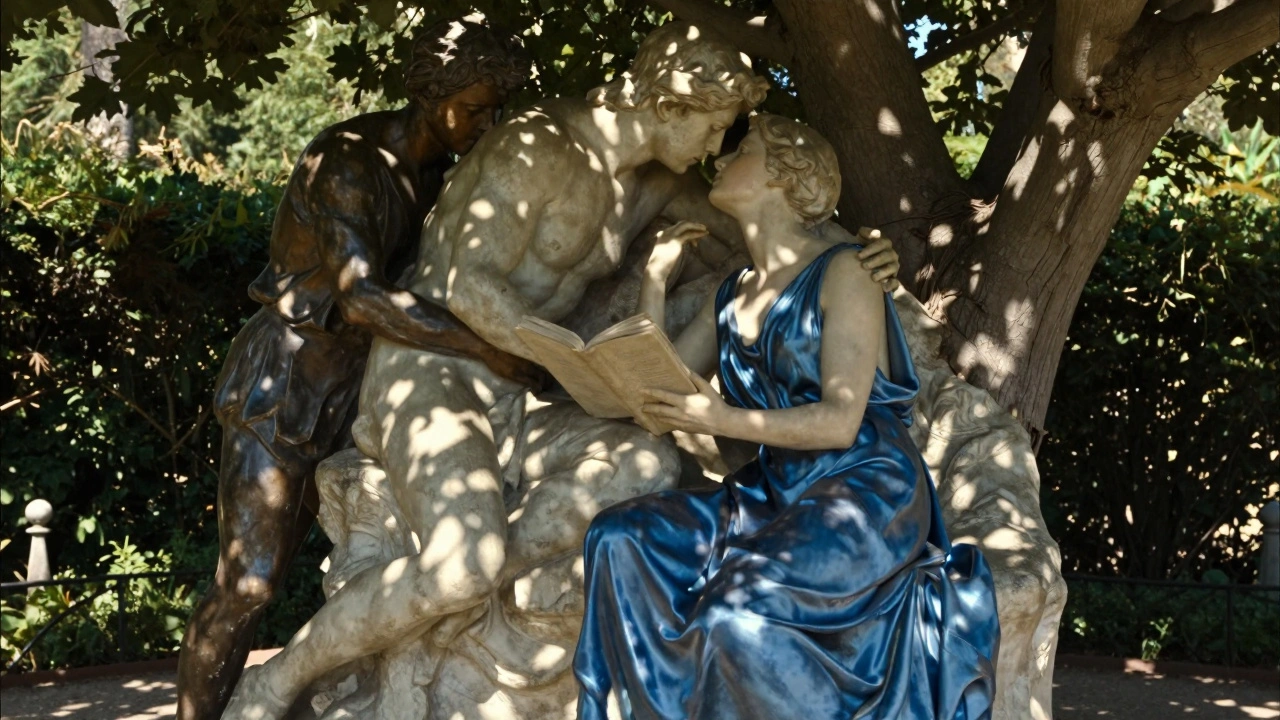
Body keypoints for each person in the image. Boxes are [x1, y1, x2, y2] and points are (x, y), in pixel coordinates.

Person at [220, 23, 904, 719]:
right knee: (462, 564)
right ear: (670, 106)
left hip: (531, 384)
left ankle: (450, 605)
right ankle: (274, 682)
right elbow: (463, 283)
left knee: (643, 466)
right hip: (436, 371)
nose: (711, 149)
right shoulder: (537, 145)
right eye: (711, 127)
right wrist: (553, 355)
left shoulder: (659, 184)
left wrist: (865, 257)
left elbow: (782, 235)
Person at [573, 114, 1001, 720]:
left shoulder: (848, 270)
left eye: (740, 150)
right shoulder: (734, 290)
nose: (720, 162)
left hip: (864, 490)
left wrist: (721, 419)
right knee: (615, 536)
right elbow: (663, 385)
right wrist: (655, 280)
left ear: (787, 173)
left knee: (734, 612)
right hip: (773, 492)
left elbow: (839, 423)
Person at [176, 19, 541, 720]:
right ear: (430, 92)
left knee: (375, 562)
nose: (486, 122)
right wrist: (492, 350)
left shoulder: (450, 175)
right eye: (474, 106)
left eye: (497, 109)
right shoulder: (348, 160)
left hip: (365, 387)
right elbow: (364, 296)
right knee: (248, 583)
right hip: (286, 378)